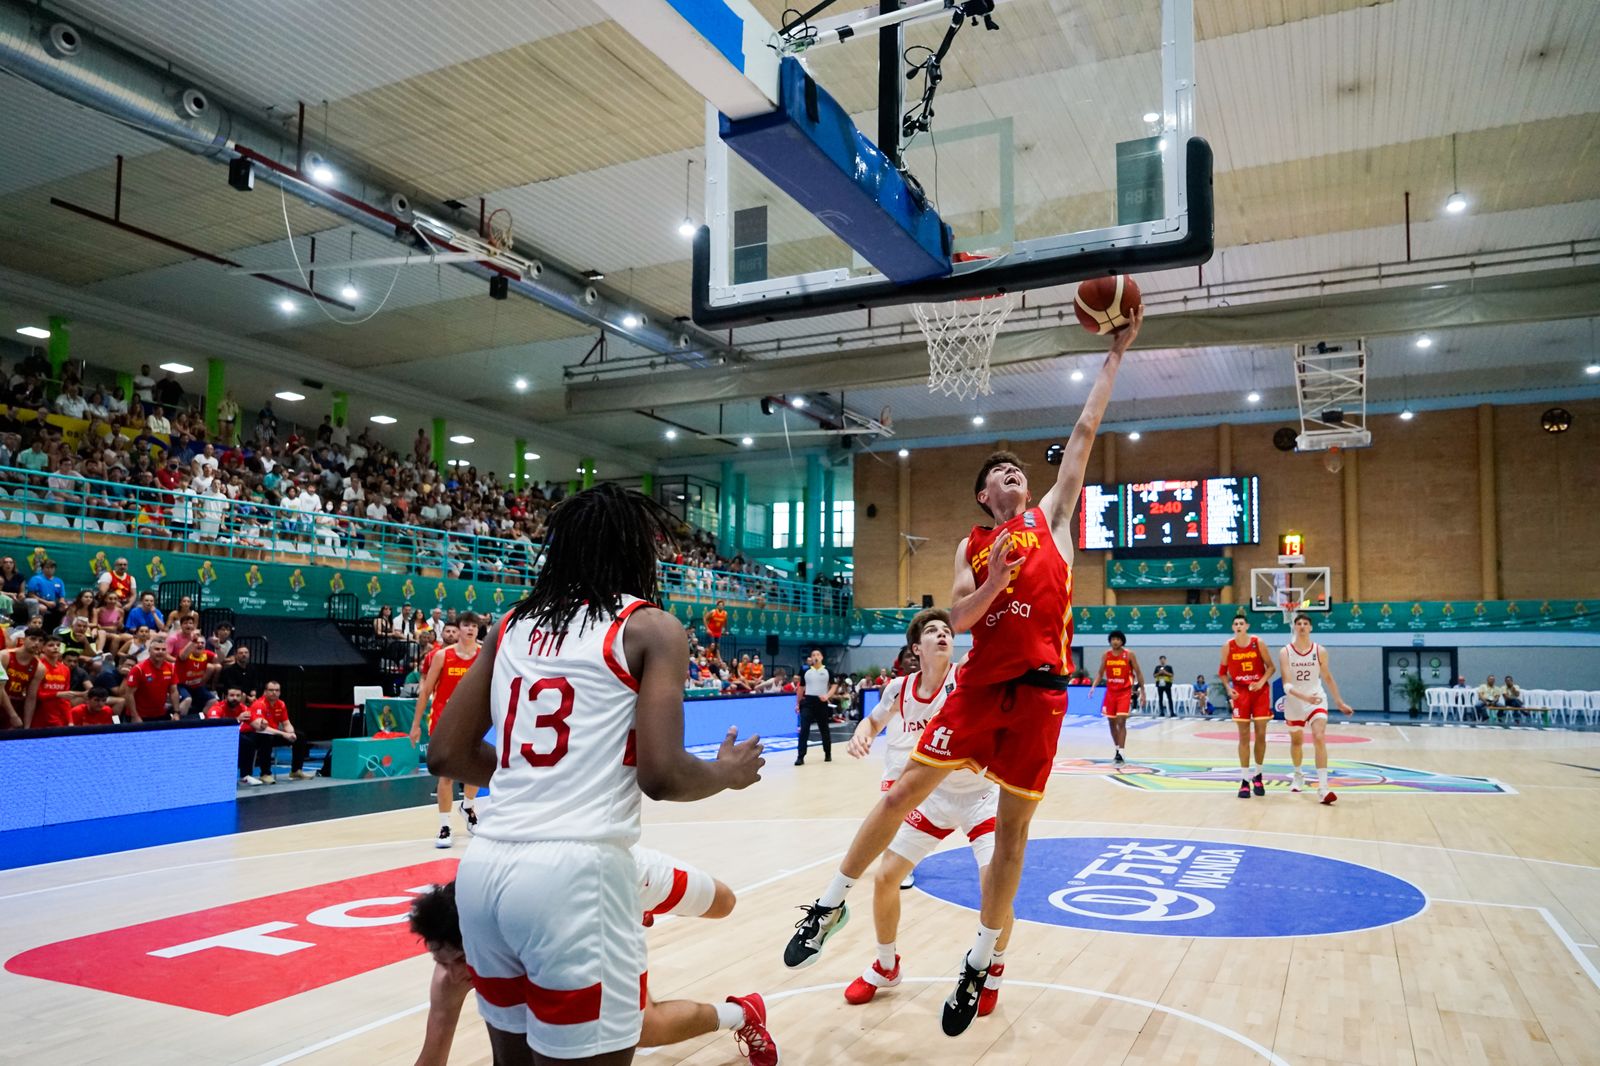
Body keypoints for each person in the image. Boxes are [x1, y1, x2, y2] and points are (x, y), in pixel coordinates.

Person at [782, 306, 1142, 1036]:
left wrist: (1114, 357)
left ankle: (979, 959)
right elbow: (964, 618)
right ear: (985, 496)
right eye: (999, 474)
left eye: (1016, 470)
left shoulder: (1052, 520)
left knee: (1012, 839)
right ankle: (828, 900)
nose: (1012, 475)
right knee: (903, 790)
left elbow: (1081, 437)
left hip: (1041, 696)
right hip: (981, 688)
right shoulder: (974, 545)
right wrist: (996, 576)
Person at [426, 483, 763, 1066]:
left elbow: (445, 753)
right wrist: (724, 773)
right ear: (634, 552)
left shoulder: (509, 625)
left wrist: (530, 777)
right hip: (574, 877)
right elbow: (660, 775)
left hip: (483, 874)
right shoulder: (650, 628)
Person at [405, 855, 778, 1066]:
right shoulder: (454, 972)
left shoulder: (537, 935)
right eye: (441, 962)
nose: (454, 973)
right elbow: (432, 1057)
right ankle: (743, 1013)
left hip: (620, 875)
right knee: (643, 1027)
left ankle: (637, 912)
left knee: (725, 903)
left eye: (459, 959)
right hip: (587, 918)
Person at [842, 608, 1011, 1016]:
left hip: (980, 795)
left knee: (996, 889)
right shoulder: (900, 689)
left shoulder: (966, 676)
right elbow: (874, 720)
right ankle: (886, 965)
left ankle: (993, 971)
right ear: (916, 648)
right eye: (932, 631)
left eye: (946, 631)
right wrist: (862, 733)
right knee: (885, 877)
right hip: (933, 798)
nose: (942, 635)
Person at [410, 611, 482, 847]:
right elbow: (426, 690)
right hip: (445, 721)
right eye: (466, 625)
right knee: (447, 775)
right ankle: (444, 826)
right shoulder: (442, 656)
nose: (470, 629)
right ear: (458, 629)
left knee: (476, 772)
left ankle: (468, 806)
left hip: (473, 719)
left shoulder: (483, 656)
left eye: (474, 626)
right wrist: (415, 725)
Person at [1278, 614, 1354, 804]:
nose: (1302, 626)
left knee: (1319, 736)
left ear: (1311, 628)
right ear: (1294, 628)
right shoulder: (1285, 652)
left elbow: (1327, 677)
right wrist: (1304, 698)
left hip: (1316, 698)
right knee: (1297, 742)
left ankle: (1323, 788)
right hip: (1295, 700)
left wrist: (1339, 701)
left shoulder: (1320, 650)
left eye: (1305, 624)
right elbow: (1286, 685)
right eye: (1299, 624)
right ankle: (1298, 774)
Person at [1219, 615, 1276, 798]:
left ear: (1247, 626)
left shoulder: (1257, 642)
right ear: (1232, 627)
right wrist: (1229, 689)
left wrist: (1261, 682)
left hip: (1259, 691)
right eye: (1235, 624)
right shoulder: (1228, 646)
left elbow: (1271, 667)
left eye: (1241, 623)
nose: (1238, 626)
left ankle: (1258, 775)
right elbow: (1222, 673)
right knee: (1243, 736)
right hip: (1240, 692)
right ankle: (1244, 780)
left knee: (1260, 734)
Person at [238, 680, 312, 784]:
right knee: (266, 737)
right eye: (271, 690)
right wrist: (284, 734)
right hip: (254, 735)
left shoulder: (281, 704)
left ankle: (296, 770)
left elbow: (286, 723)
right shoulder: (259, 704)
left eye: (277, 690)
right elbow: (262, 729)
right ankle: (265, 774)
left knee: (300, 736)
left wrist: (291, 733)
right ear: (265, 692)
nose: (274, 693)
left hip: (273, 733)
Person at [1093, 630, 1144, 764]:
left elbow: (1138, 672)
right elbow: (1100, 673)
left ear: (1122, 641)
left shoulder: (1129, 654)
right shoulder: (1106, 655)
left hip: (1124, 692)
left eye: (1118, 639)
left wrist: (1143, 691)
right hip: (1110, 692)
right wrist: (1093, 686)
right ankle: (1116, 749)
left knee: (1121, 721)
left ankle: (1121, 752)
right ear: (1110, 641)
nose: (1115, 641)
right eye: (1113, 639)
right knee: (1111, 722)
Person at [23, 634, 77, 728]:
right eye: (51, 645)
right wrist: (57, 694)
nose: (55, 648)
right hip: (40, 716)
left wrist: (70, 721)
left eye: (58, 645)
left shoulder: (65, 669)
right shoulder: (38, 667)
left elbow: (65, 699)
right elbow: (34, 694)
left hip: (59, 718)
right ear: (42, 648)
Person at [795, 648, 837, 765]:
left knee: (824, 729)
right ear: (811, 658)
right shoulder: (806, 672)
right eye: (813, 655)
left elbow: (834, 685)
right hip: (808, 701)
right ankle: (800, 756)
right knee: (804, 729)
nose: (815, 657)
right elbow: (801, 688)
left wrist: (827, 695)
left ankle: (827, 753)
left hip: (821, 702)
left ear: (822, 657)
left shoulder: (828, 671)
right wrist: (797, 703)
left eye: (818, 654)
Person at [123, 641, 181, 722]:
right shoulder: (138, 669)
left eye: (163, 649)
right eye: (157, 649)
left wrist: (176, 712)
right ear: (149, 651)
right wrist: (135, 716)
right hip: (140, 716)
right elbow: (129, 694)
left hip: (160, 715)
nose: (160, 652)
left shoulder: (171, 668)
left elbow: (174, 691)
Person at [0, 631, 43, 729]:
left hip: (16, 703)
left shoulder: (39, 668)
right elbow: (0, 687)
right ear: (23, 640)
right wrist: (13, 715)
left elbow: (31, 697)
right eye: (33, 639)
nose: (36, 643)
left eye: (40, 641)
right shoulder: (4, 656)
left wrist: (27, 727)